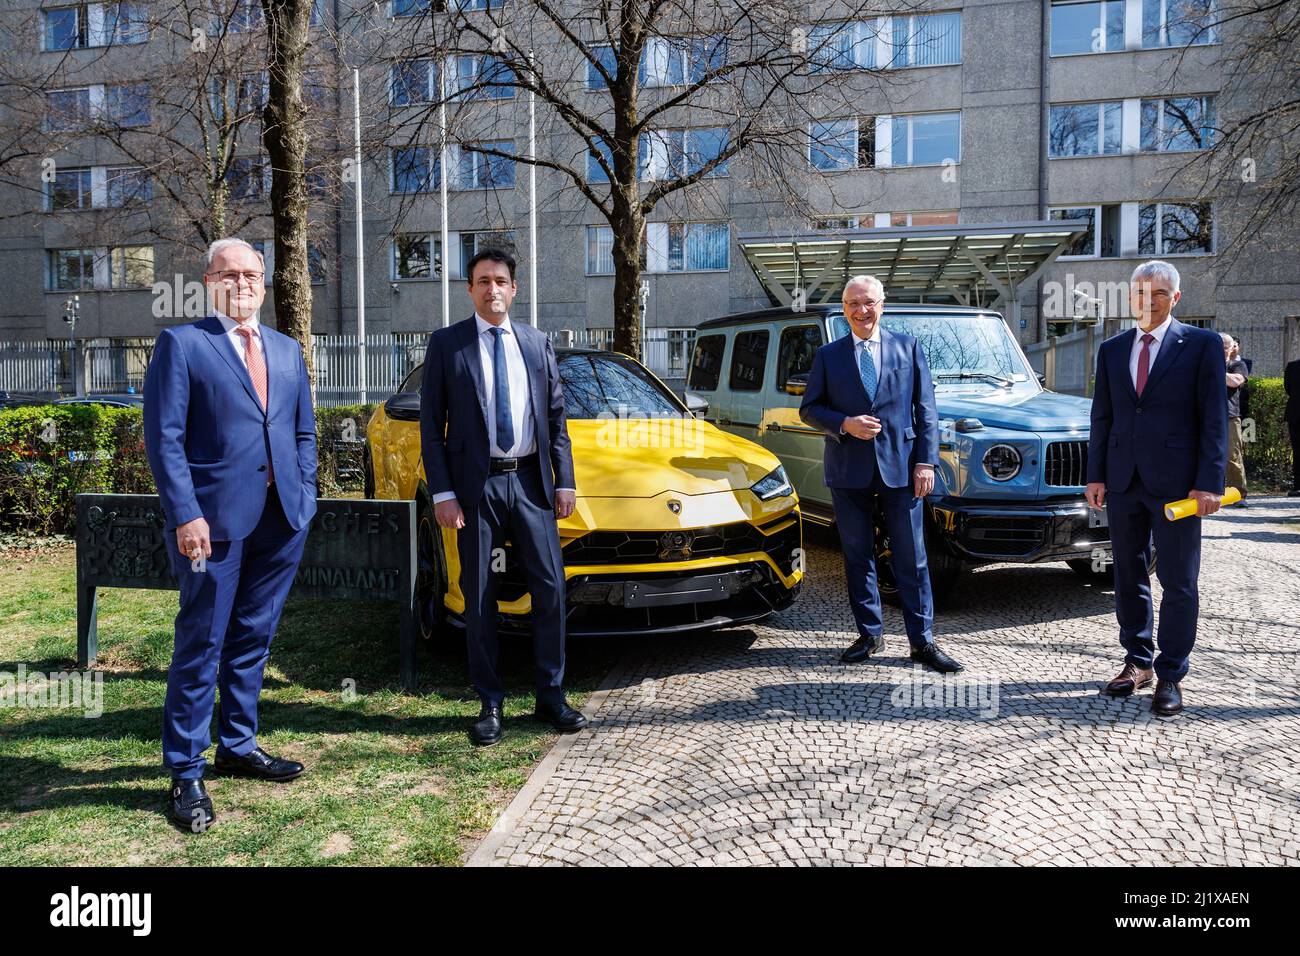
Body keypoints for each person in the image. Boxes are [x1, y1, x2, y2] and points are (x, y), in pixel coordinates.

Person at [143, 238, 318, 831]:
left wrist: (306, 493)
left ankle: (238, 745)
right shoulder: (183, 345)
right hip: (210, 525)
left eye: (252, 274)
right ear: (208, 280)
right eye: (230, 274)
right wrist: (185, 514)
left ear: (265, 283)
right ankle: (186, 771)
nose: (242, 283)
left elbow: (302, 433)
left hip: (281, 519)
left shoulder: (288, 350)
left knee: (253, 637)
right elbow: (163, 440)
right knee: (202, 642)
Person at [418, 248, 582, 746]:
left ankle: (550, 696)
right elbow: (431, 427)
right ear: (470, 289)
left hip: (531, 483)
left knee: (550, 588)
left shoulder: (535, 343)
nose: (493, 289)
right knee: (481, 595)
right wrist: (444, 493)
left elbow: (555, 420)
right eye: (483, 280)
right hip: (475, 488)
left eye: (502, 280)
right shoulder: (447, 345)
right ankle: (489, 702)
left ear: (515, 288)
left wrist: (564, 480)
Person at [799, 274, 962, 674]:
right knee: (858, 557)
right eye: (853, 304)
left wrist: (926, 461)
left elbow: (926, 411)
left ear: (882, 304)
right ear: (844, 310)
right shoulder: (829, 355)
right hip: (848, 469)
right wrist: (844, 423)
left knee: (913, 558)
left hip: (902, 470)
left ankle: (922, 643)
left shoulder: (909, 348)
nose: (861, 310)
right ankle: (870, 635)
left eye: (868, 302)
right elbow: (809, 409)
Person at [1086, 260, 1227, 717]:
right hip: (1124, 482)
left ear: (1176, 298)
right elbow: (1102, 417)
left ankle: (1171, 673)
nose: (1148, 301)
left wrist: (1209, 481)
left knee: (1179, 581)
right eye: (1140, 293)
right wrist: (1097, 474)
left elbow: (1213, 419)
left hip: (1179, 486)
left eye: (1158, 293)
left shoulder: (1201, 345)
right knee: (1127, 574)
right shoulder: (1111, 349)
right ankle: (1137, 660)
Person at [1222, 334, 1249, 506]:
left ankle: (1238, 494)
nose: (1223, 349)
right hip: (1204, 416)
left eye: (1226, 346)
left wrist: (1213, 370)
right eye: (1220, 345)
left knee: (1232, 456)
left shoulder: (1238, 365)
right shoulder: (1202, 364)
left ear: (1233, 348)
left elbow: (1235, 381)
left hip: (1230, 416)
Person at [1286, 357, 1300, 497]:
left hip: (1296, 412)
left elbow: (1288, 388)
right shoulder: (1292, 366)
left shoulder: (1293, 366)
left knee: (1297, 451)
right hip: (1296, 414)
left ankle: (1298, 486)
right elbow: (1288, 388)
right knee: (1297, 450)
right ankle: (1297, 485)